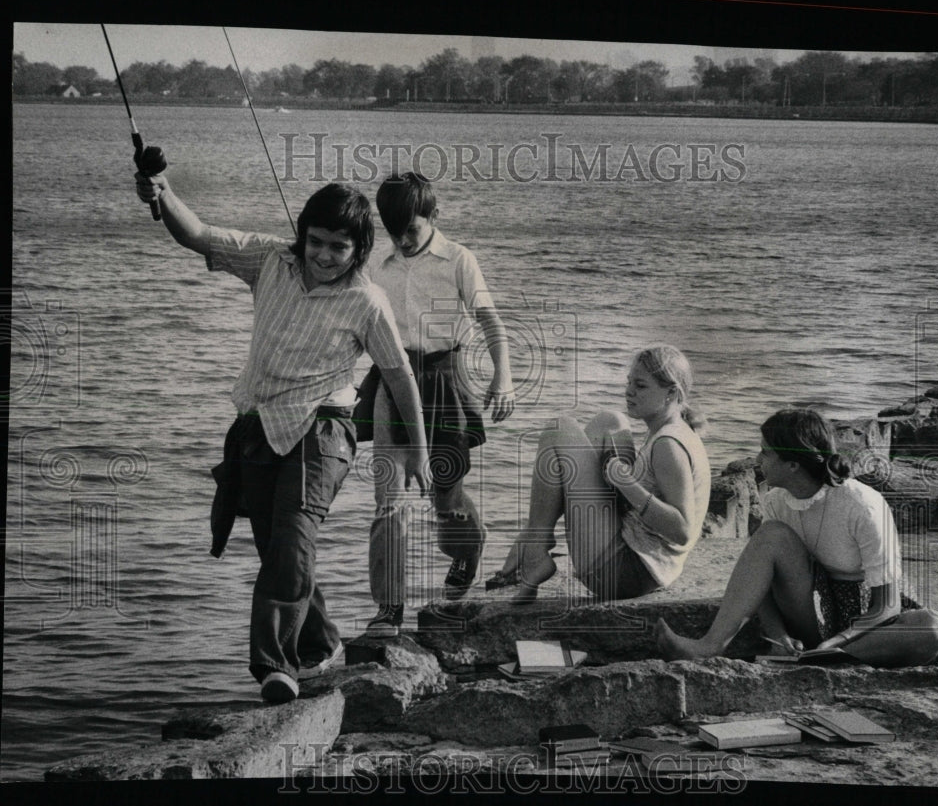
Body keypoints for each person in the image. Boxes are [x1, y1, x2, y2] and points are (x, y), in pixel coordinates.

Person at [134, 170, 429, 703]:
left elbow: (399, 375)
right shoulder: (270, 259)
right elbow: (196, 233)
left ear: (359, 249)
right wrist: (163, 191)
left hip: (326, 428)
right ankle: (322, 642)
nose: (323, 255)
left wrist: (420, 450)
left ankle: (275, 665)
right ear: (302, 235)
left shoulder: (367, 300)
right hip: (260, 425)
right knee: (278, 550)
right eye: (315, 242)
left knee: (294, 535)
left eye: (339, 247)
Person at [655, 408, 938, 668]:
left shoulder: (862, 505)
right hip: (815, 611)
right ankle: (709, 647)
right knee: (770, 535)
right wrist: (777, 634)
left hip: (868, 625)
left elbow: (887, 606)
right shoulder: (776, 502)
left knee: (934, 628)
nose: (758, 461)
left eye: (766, 452)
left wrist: (840, 641)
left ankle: (835, 659)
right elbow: (761, 585)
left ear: (793, 464)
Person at [356, 172, 515, 637]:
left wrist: (503, 379)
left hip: (444, 379)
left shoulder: (459, 259)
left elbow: (491, 321)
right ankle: (389, 609)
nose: (403, 240)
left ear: (434, 217)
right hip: (390, 380)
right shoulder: (376, 264)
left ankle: (468, 548)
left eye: (412, 230)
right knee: (389, 498)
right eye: (393, 231)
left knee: (444, 496)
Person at [486, 345, 711, 603]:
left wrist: (627, 485)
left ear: (671, 393)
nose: (629, 391)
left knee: (559, 430)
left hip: (622, 571)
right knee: (610, 422)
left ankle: (534, 551)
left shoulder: (668, 446)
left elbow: (682, 530)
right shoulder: (673, 429)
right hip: (641, 561)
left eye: (640, 385)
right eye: (629, 382)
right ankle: (532, 538)